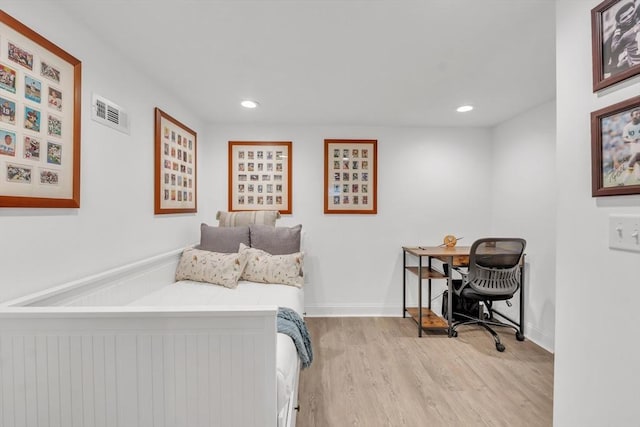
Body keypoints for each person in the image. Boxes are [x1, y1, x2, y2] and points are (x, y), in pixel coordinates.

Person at [610, 2, 640, 71]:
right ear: (619, 23)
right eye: (624, 17)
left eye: (631, 13)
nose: (629, 17)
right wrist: (618, 66)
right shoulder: (618, 35)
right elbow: (614, 50)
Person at [622, 108, 640, 184]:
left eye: (639, 114)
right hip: (633, 147)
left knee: (632, 161)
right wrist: (631, 140)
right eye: (636, 114)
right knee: (637, 164)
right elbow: (624, 139)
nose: (638, 115)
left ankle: (623, 182)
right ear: (632, 116)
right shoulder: (627, 127)